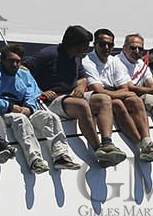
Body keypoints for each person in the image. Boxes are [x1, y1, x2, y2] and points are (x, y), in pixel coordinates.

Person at [25, 25, 125, 167]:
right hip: (51, 101)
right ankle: (99, 150)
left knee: (104, 99)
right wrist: (39, 91)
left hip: (70, 97)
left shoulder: (76, 58)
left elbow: (83, 77)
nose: (88, 47)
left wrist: (80, 86)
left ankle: (107, 143)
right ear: (76, 44)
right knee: (82, 105)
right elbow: (23, 69)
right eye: (86, 44)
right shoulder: (48, 54)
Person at [0, 43, 80, 172]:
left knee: (50, 116)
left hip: (24, 110)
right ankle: (35, 161)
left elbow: (33, 94)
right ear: (2, 60)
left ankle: (61, 156)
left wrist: (30, 108)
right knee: (20, 119)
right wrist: (9, 106)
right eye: (11, 61)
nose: (15, 65)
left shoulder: (24, 75)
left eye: (18, 61)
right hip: (1, 113)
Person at [82, 28, 153, 162]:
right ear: (94, 44)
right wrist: (121, 93)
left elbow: (124, 87)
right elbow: (98, 90)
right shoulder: (87, 61)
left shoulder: (113, 61)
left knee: (135, 100)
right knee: (117, 103)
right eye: (102, 44)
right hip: (94, 96)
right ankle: (111, 144)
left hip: (110, 93)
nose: (107, 48)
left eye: (110, 45)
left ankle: (146, 142)